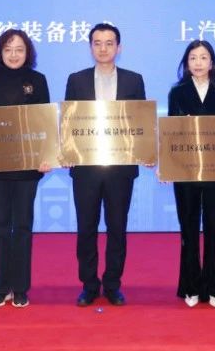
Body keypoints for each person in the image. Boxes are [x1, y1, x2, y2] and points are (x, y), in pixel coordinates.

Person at [64, 23, 147, 307]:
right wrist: (67, 151)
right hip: (86, 168)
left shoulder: (134, 80)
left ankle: (112, 284)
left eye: (109, 43)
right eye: (97, 43)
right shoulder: (76, 80)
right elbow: (69, 122)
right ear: (90, 47)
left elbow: (140, 123)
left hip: (120, 169)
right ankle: (89, 285)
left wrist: (145, 150)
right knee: (86, 227)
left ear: (118, 48)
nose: (103, 48)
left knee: (117, 228)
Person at [0, 29, 50, 308]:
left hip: (28, 167)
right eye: (8, 49)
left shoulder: (38, 81)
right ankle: (1, 286)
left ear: (28, 52)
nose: (13, 55)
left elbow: (44, 124)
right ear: (0, 53)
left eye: (19, 49)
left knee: (23, 227)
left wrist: (46, 156)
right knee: (0, 228)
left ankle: (20, 288)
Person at [168, 40, 215, 309]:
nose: (198, 62)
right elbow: (172, 133)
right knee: (189, 229)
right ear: (186, 63)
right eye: (193, 58)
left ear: (212, 62)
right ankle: (191, 286)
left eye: (203, 57)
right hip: (185, 171)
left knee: (214, 230)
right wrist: (169, 165)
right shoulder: (177, 92)